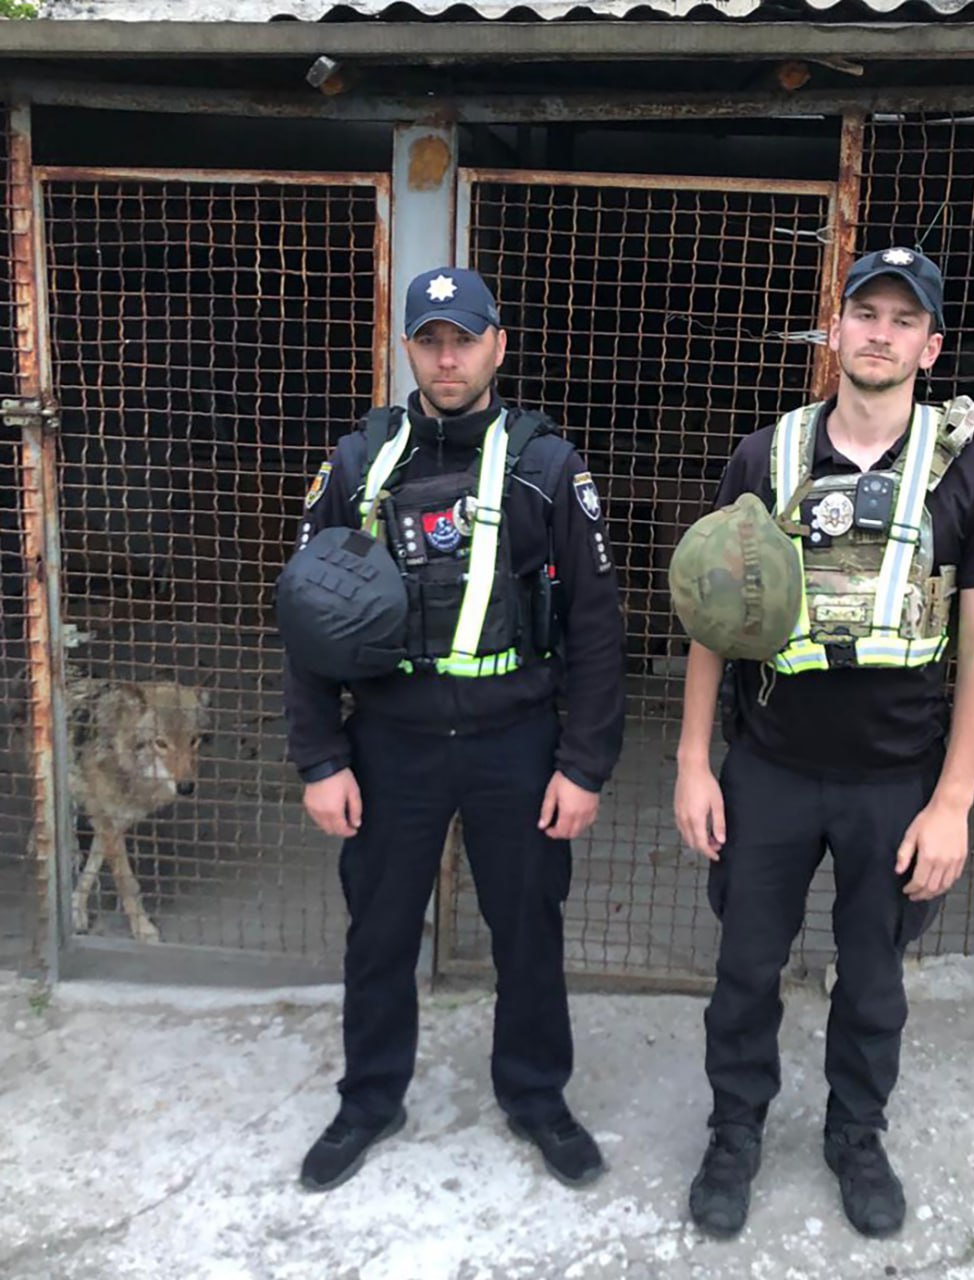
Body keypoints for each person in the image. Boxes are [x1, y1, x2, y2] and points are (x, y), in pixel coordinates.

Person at [672, 247, 974, 1239]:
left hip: (898, 782)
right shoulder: (765, 456)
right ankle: (734, 1132)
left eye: (904, 320)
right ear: (836, 330)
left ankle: (856, 1136)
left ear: (931, 347)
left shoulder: (972, 472)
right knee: (746, 969)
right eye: (865, 313)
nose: (880, 334)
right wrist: (694, 762)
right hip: (771, 768)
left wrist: (953, 801)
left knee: (873, 980)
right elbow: (712, 619)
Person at [281, 266, 625, 1193]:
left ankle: (536, 1098)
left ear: (496, 347)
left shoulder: (547, 467)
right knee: (380, 932)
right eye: (430, 341)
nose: (446, 359)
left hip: (518, 744)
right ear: (407, 349)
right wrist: (320, 758)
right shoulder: (358, 462)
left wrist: (584, 765)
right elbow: (308, 618)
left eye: (463, 340)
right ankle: (369, 1100)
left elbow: (598, 628)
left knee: (528, 932)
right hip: (390, 743)